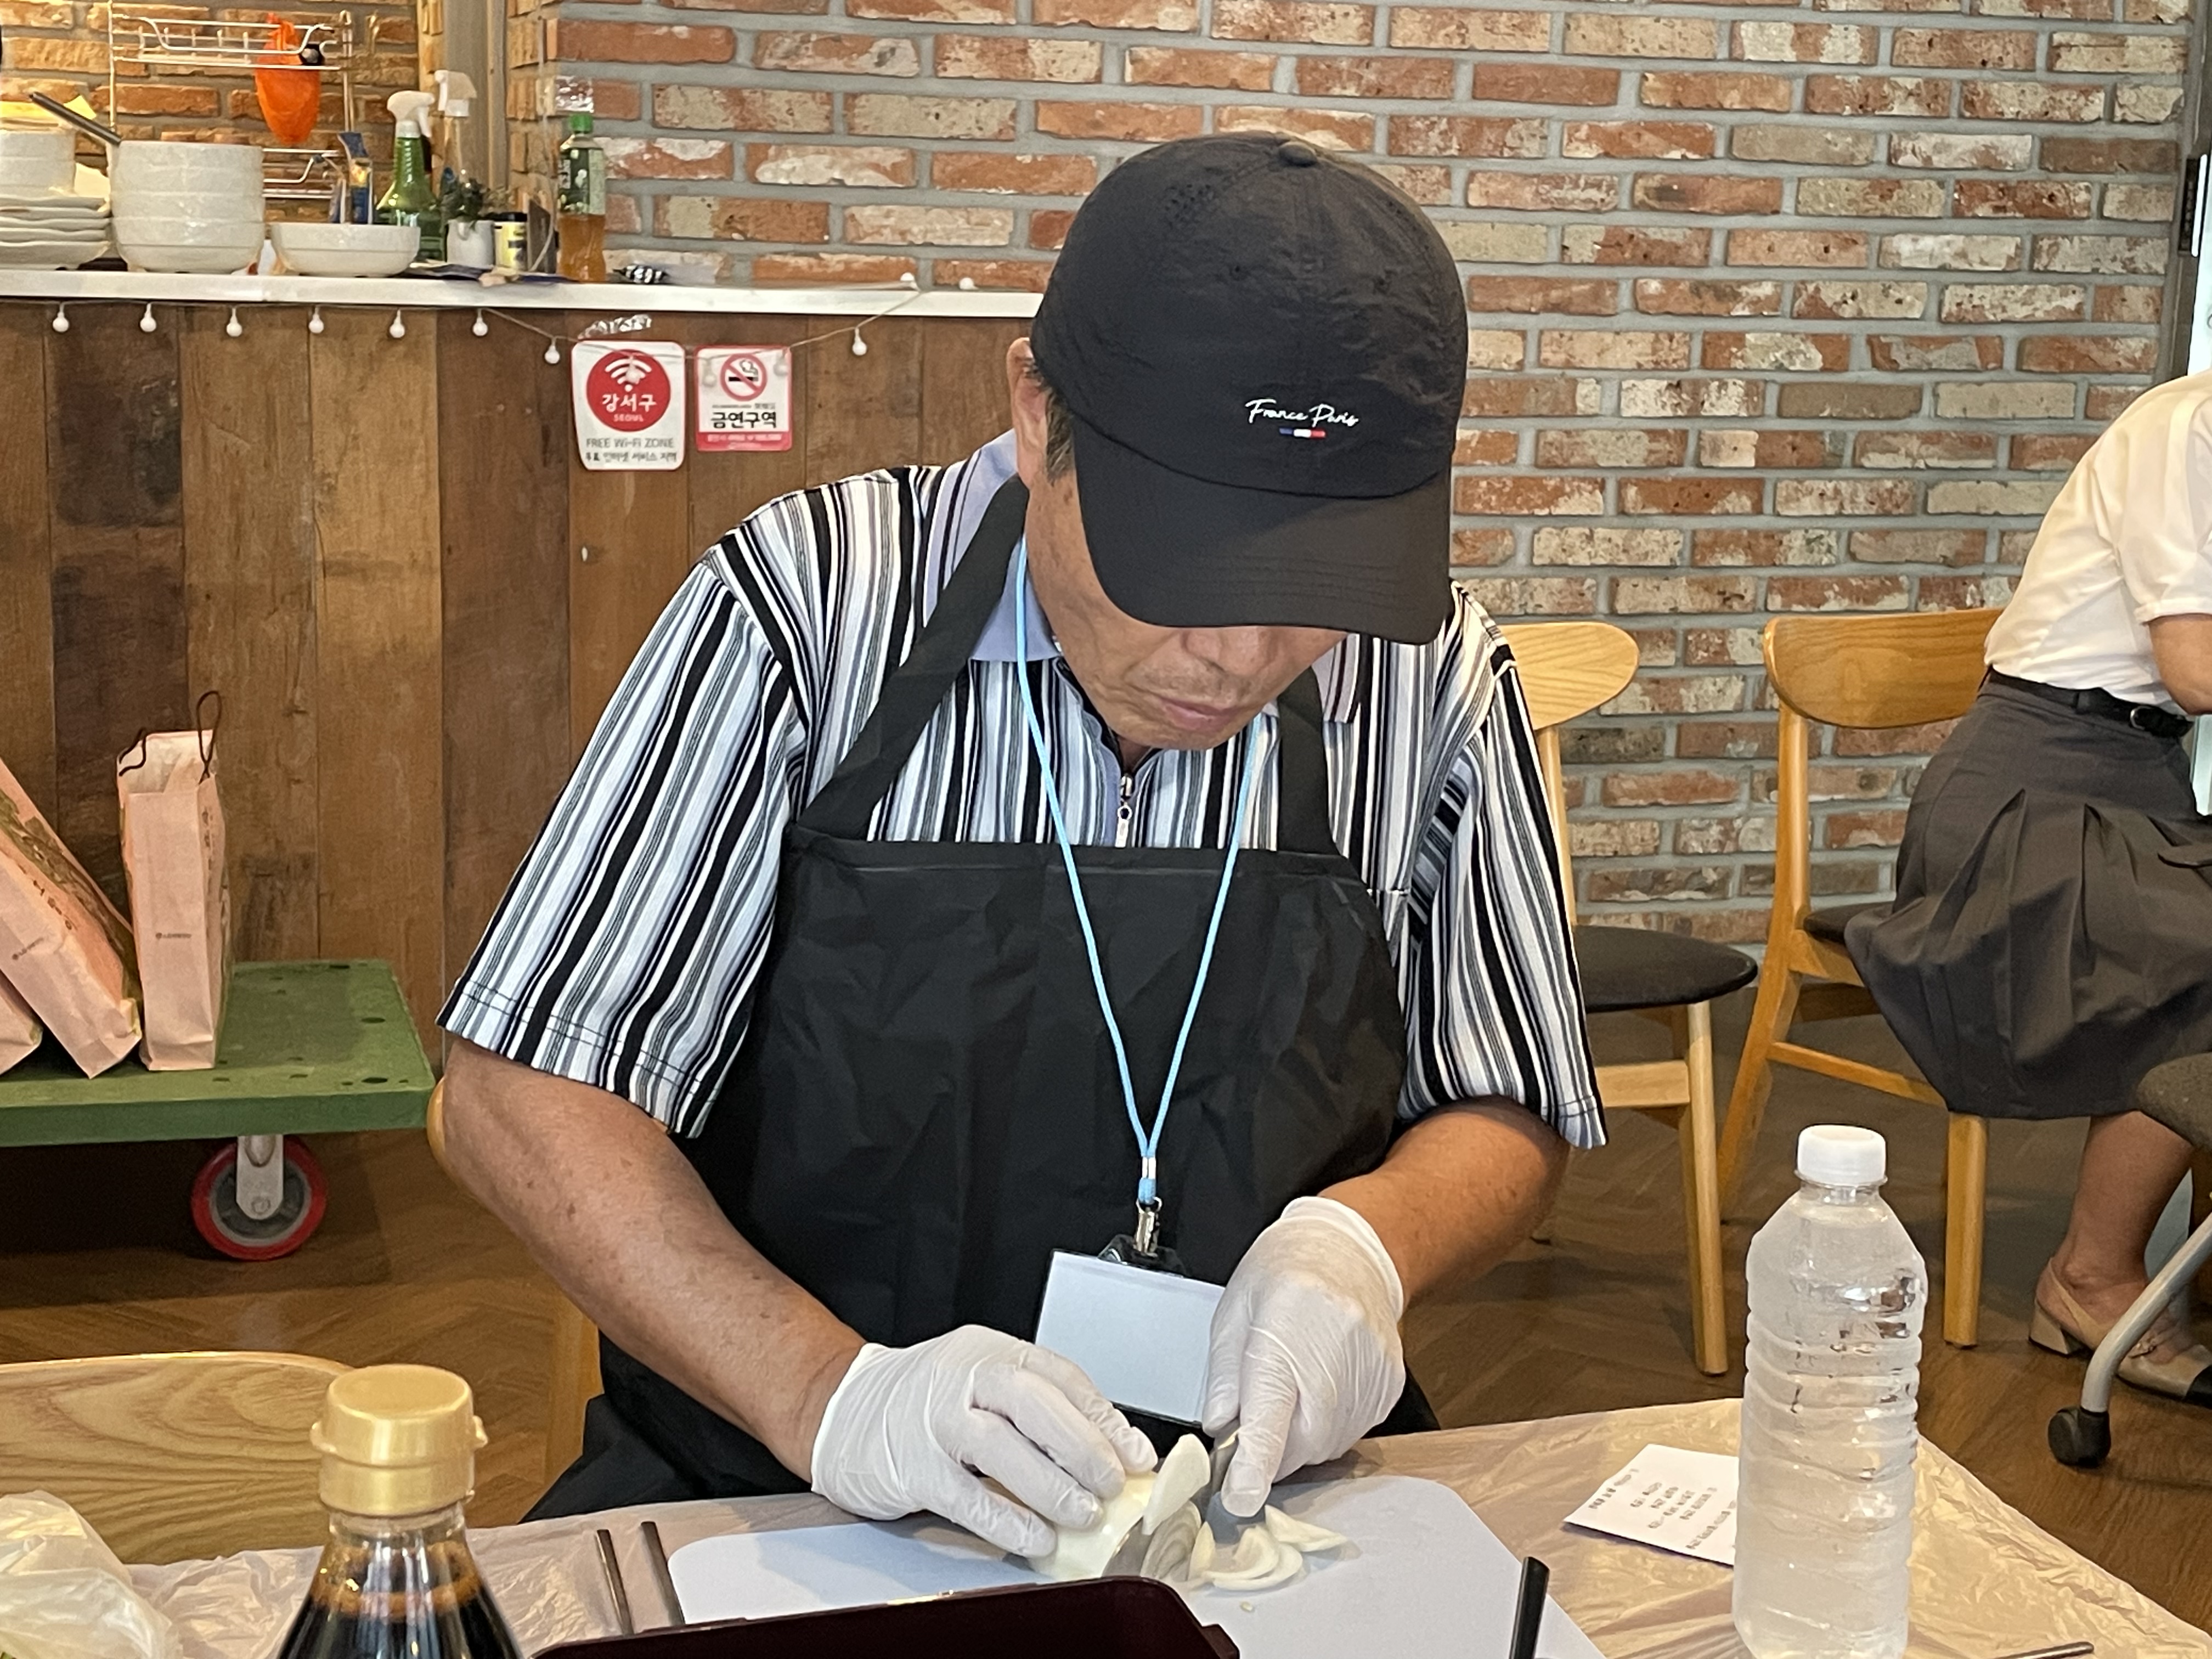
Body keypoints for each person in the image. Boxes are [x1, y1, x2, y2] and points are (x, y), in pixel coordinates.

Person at [437, 133, 1602, 1553]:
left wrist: (1367, 1247)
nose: (1241, 657)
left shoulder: (1435, 681)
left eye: (1318, 584)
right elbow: (517, 1093)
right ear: (1039, 414)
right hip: (784, 1488)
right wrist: (827, 1394)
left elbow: (1508, 1100)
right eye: (1186, 566)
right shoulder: (810, 608)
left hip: (1242, 1504)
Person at [1849, 370, 2212, 1406]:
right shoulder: (2190, 426)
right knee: (2199, 958)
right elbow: (2194, 669)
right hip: (2027, 792)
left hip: (2143, 779)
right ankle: (2090, 1277)